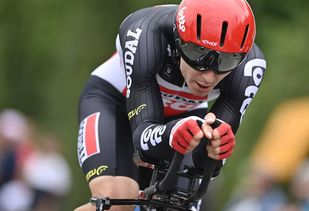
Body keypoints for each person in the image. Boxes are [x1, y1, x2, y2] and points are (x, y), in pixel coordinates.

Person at [75, 0, 267, 210]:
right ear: (178, 40)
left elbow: (206, 168)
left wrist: (217, 149)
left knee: (178, 205)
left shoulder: (250, 66)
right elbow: (143, 137)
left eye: (228, 61)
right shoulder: (145, 31)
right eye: (198, 56)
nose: (209, 77)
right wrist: (172, 133)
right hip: (115, 103)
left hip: (186, 118)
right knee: (118, 198)